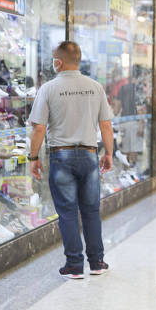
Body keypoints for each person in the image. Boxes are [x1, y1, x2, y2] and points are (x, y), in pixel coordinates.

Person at [27, 41, 114, 279]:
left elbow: (38, 128)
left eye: (54, 58)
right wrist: (108, 153)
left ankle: (74, 266)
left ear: (59, 62)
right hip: (89, 154)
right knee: (91, 211)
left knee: (67, 212)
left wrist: (33, 157)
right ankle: (96, 263)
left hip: (61, 155)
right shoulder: (95, 87)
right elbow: (106, 125)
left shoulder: (48, 88)